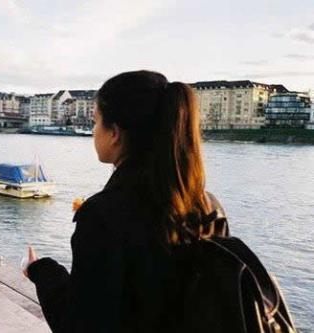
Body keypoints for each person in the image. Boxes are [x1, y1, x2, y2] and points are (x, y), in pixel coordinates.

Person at [23, 70, 229, 332]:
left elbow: (79, 324)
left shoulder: (103, 215)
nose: (94, 132)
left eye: (96, 122)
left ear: (115, 133)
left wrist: (41, 270)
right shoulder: (210, 207)